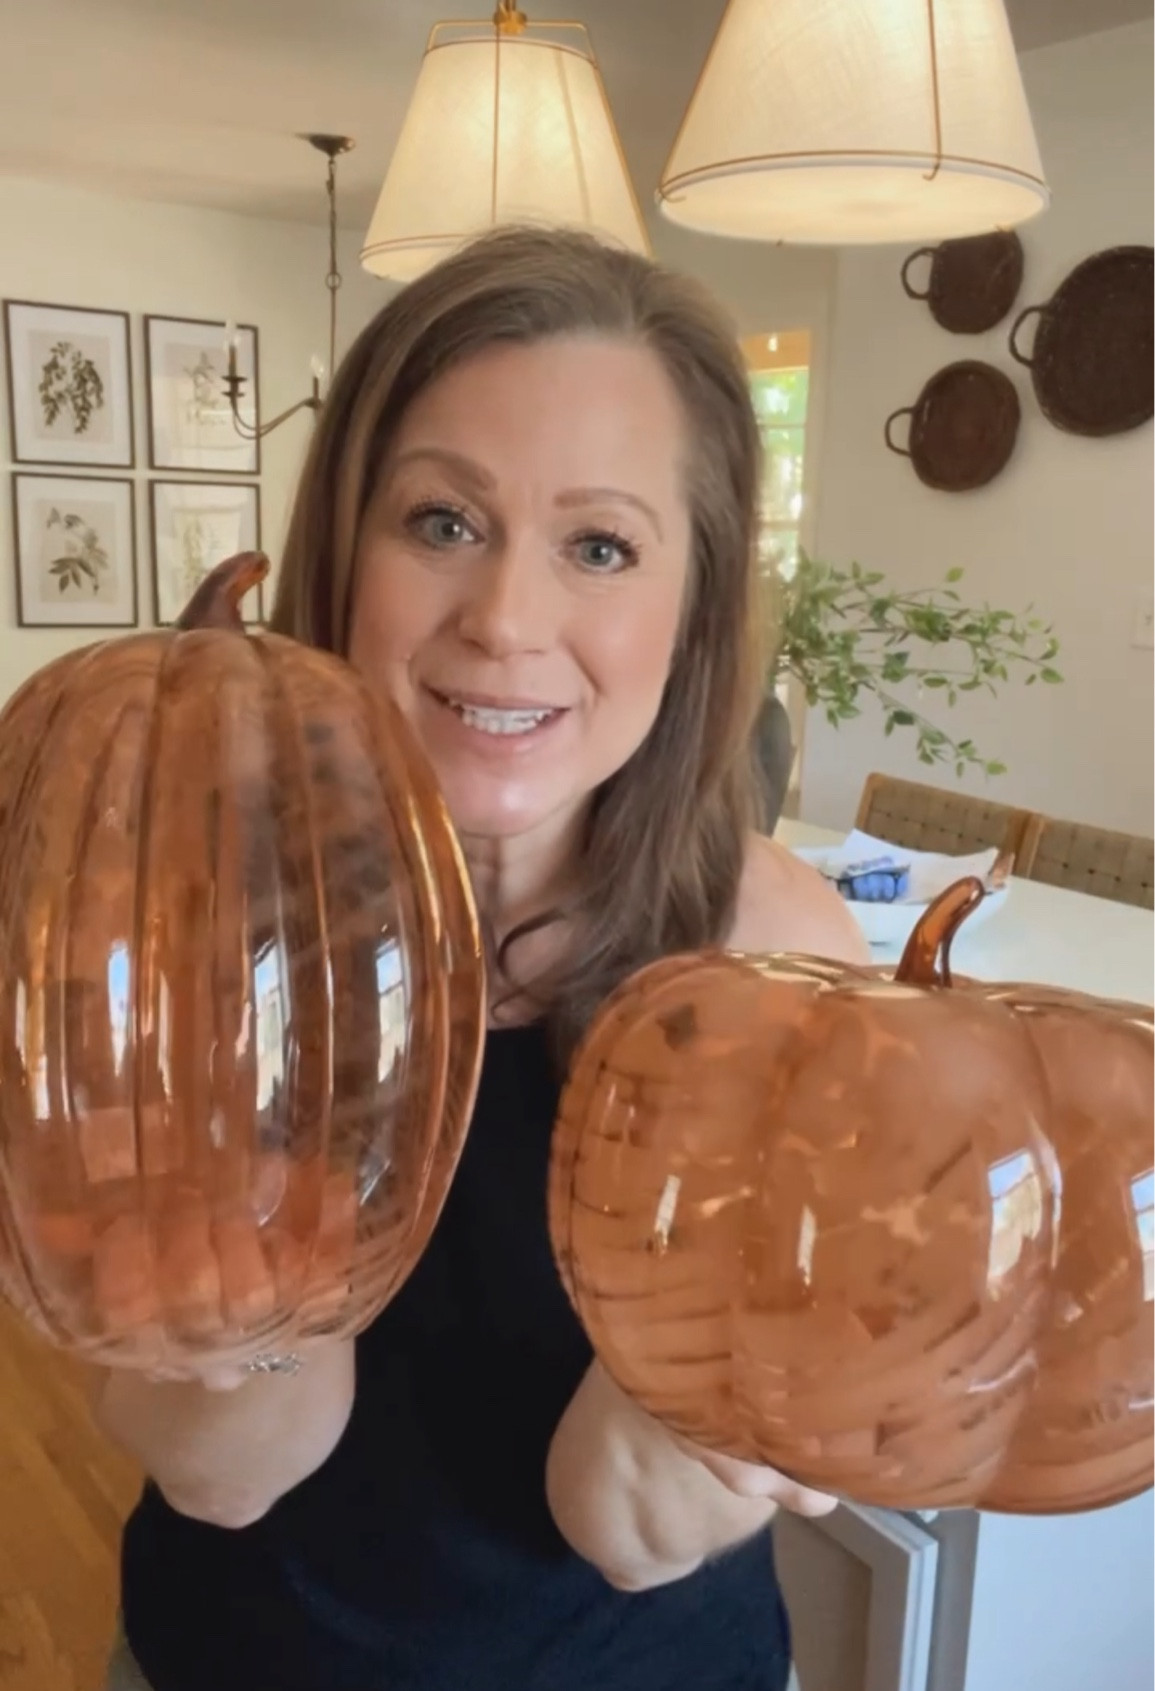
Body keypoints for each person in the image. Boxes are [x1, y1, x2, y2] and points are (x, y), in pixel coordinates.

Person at [96, 225, 867, 1691]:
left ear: (693, 605)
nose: (506, 620)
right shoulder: (187, 930)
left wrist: (743, 1412)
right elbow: (222, 1470)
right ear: (346, 548)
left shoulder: (778, 964)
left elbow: (634, 1528)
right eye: (443, 522)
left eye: (600, 545)